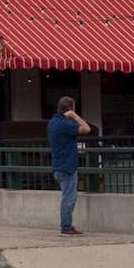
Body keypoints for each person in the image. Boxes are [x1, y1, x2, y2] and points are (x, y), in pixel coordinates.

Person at [47, 96, 92, 236]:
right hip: (68, 166)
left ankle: (66, 225)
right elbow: (86, 129)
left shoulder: (52, 122)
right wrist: (75, 116)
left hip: (57, 164)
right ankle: (66, 226)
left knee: (67, 196)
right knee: (69, 197)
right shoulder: (65, 124)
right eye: (73, 109)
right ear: (70, 109)